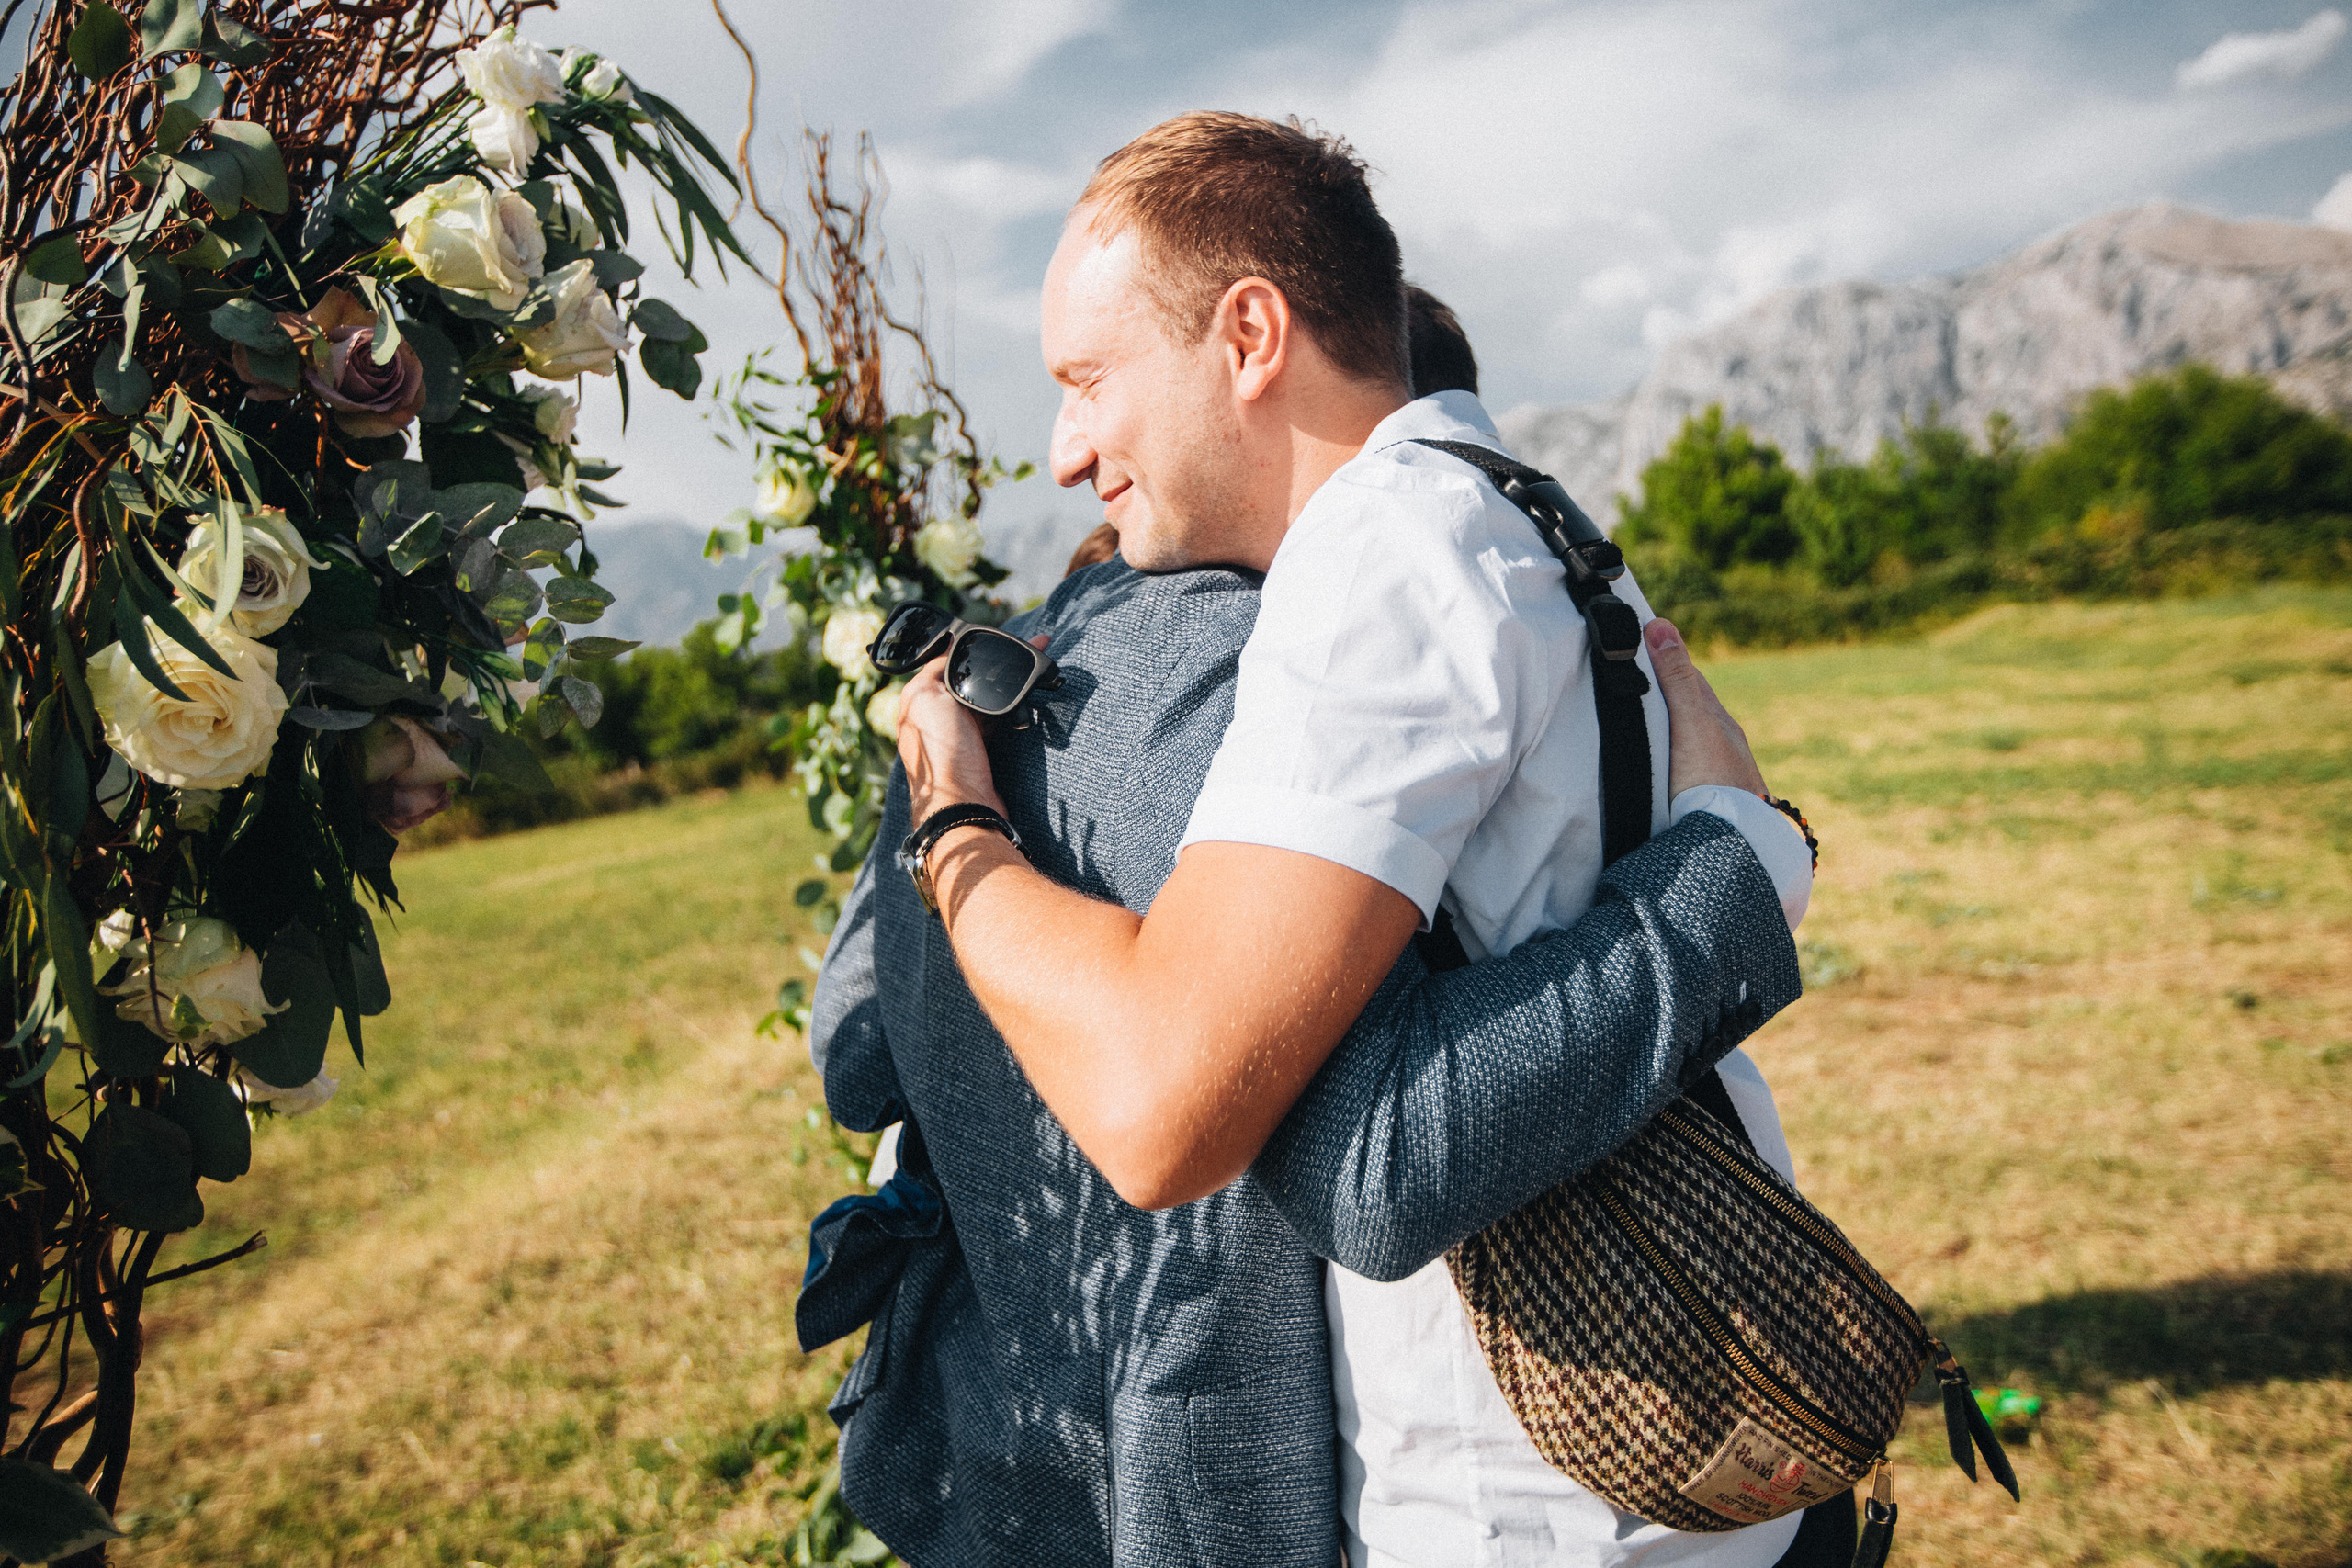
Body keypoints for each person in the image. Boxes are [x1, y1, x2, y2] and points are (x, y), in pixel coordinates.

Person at [885, 113, 1824, 1567]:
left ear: (1249, 333)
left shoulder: (1384, 558)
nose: (1069, 451)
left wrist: (956, 818)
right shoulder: (1512, 509)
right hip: (1646, 1397)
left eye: (1087, 381)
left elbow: (1163, 1107)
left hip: (1531, 1484)